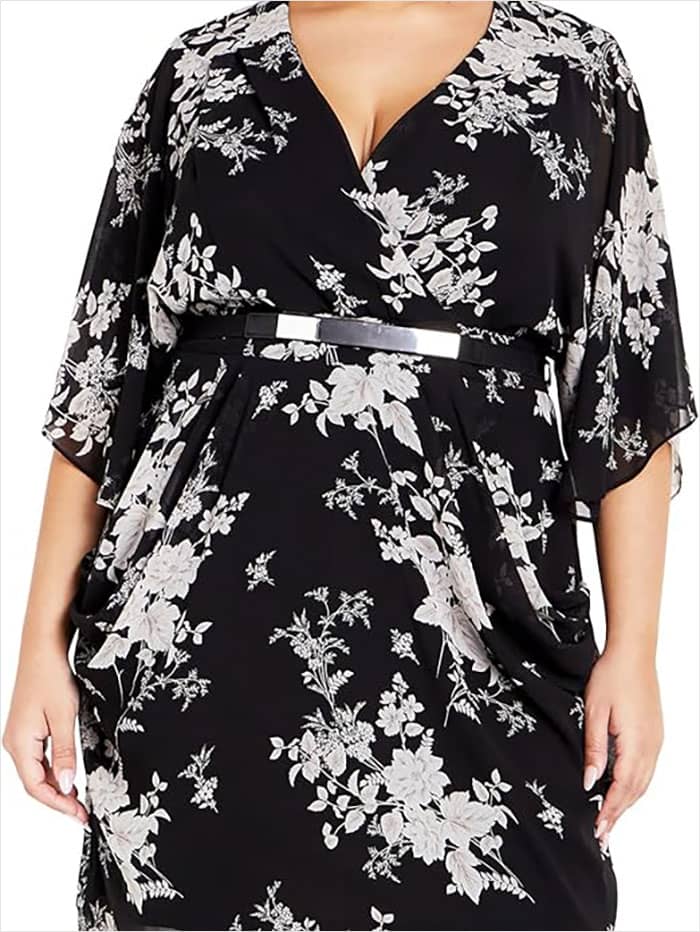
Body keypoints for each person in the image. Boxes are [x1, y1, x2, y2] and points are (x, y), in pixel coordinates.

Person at [3, 1, 697, 929]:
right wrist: (37, 648)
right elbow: (105, 378)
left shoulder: (575, 72)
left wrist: (636, 650)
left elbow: (627, 385)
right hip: (198, 637)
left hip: (487, 624)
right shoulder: (202, 68)